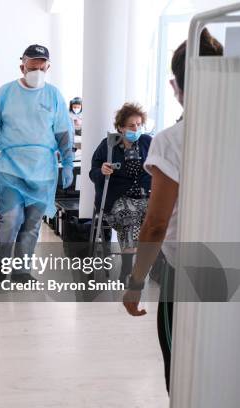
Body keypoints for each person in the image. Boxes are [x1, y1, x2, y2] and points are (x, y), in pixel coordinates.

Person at [122, 28, 223, 393]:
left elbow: (156, 224)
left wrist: (135, 283)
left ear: (175, 85)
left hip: (187, 276)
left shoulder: (172, 142)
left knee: (183, 374)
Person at [0, 44, 74, 282]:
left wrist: (68, 161)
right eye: (33, 66)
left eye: (42, 67)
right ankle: (2, 261)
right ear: (22, 66)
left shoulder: (53, 95)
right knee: (10, 219)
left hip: (43, 172)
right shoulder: (6, 93)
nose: (37, 71)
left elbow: (63, 132)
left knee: (31, 223)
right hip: (12, 170)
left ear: (48, 67)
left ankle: (21, 270)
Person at [89, 103, 152, 284]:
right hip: (117, 198)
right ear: (120, 128)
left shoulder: (148, 142)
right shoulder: (108, 146)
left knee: (159, 217)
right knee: (130, 217)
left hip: (145, 196)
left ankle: (156, 267)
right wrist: (102, 170)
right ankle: (127, 269)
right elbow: (92, 173)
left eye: (139, 124)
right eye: (132, 125)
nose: (136, 128)